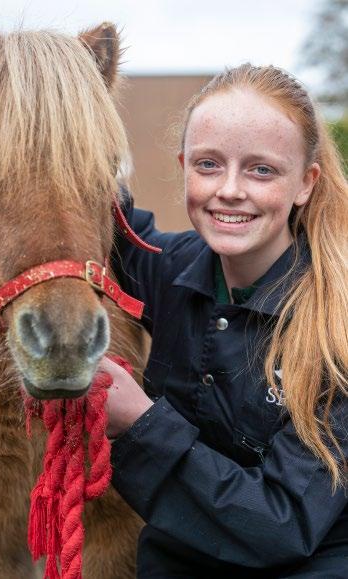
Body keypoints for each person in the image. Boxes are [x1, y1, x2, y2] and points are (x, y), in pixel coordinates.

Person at [100, 64, 348, 578]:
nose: (230, 190)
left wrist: (139, 422)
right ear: (184, 167)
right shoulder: (169, 269)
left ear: (305, 183)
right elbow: (103, 211)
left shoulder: (337, 328)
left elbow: (283, 525)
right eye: (208, 164)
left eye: (262, 170)